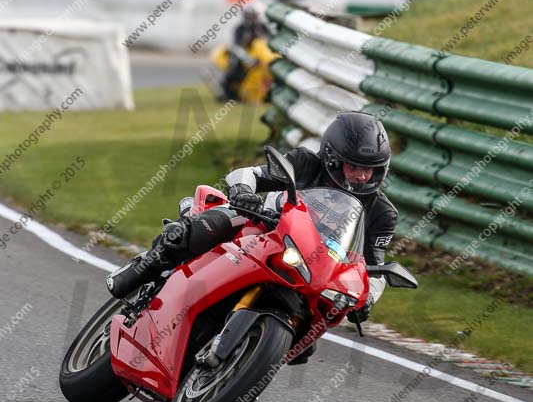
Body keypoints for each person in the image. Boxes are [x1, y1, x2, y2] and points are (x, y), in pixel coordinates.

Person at [107, 112, 397, 360]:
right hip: (264, 226)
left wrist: (367, 298)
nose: (363, 176)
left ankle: (243, 360)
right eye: (355, 167)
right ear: (333, 159)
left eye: (370, 170)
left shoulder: (383, 213)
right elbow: (247, 174)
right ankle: (146, 265)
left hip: (314, 269)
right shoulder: (306, 163)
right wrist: (244, 193)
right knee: (198, 231)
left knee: (308, 342)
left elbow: (374, 266)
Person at [220, 3, 268, 101]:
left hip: (262, 55)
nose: (252, 18)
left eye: (254, 15)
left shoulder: (263, 27)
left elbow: (270, 40)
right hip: (246, 55)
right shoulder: (240, 28)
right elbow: (237, 46)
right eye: (250, 15)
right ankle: (228, 93)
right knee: (235, 69)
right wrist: (249, 59)